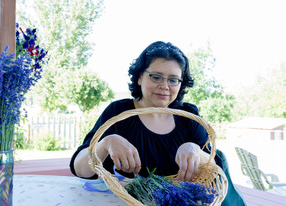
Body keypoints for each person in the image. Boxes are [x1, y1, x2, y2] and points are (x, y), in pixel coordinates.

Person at [69, 41, 217, 182]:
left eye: (173, 80)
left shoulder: (189, 116)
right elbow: (80, 170)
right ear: (140, 77)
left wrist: (196, 150)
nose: (164, 86)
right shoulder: (118, 112)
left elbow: (217, 170)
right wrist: (106, 143)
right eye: (156, 77)